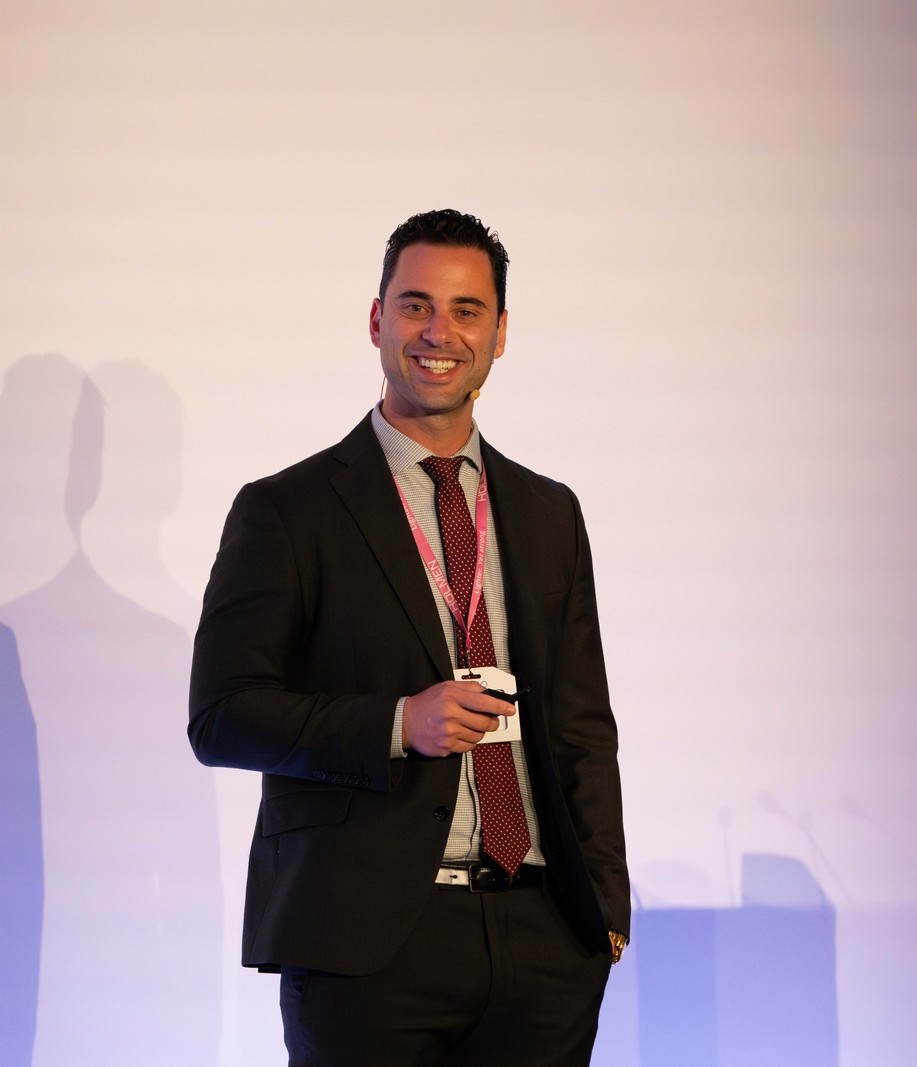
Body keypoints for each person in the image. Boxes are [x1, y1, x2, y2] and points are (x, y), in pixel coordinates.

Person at [189, 209, 628, 1066]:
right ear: (376, 320)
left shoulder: (549, 512)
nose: (439, 332)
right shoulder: (288, 510)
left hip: (542, 937)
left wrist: (603, 913)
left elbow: (584, 727)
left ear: (500, 334)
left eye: (467, 310)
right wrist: (397, 723)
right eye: (416, 304)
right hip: (366, 947)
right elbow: (223, 716)